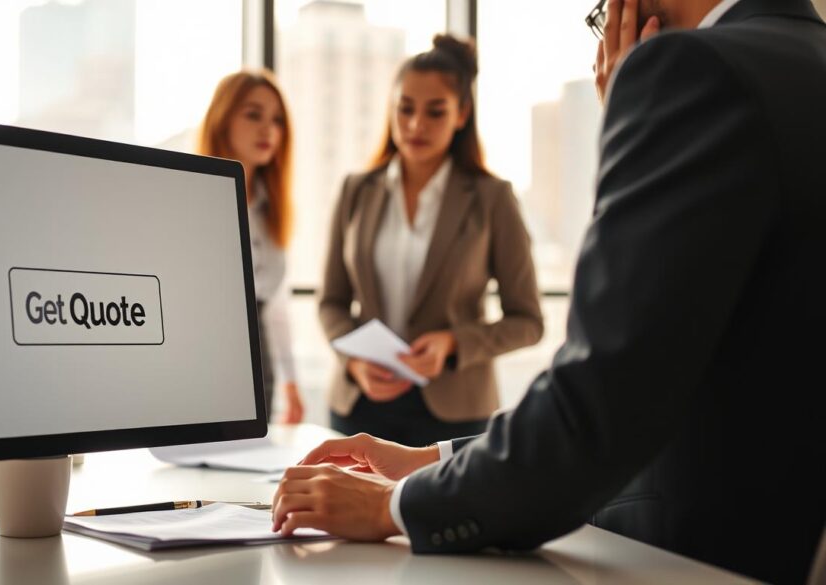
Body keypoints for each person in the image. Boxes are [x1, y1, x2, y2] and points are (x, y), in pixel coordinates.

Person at [272, 1, 826, 583]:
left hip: (690, 548)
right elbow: (683, 350)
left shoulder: (691, 70)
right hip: (757, 525)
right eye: (404, 109)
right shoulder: (801, 55)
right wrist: (432, 460)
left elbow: (604, 392)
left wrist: (392, 504)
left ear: (460, 116)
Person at [319, 34, 543, 447]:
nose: (416, 125)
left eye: (435, 112)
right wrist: (353, 361)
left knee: (441, 515)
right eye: (405, 109)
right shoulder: (356, 190)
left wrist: (454, 343)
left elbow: (528, 322)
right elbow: (330, 302)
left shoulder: (492, 198)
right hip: (360, 404)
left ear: (462, 114)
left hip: (454, 413)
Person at [198, 70, 304, 424]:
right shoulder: (194, 199)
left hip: (261, 359)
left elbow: (274, 306)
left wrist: (292, 381)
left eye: (277, 120)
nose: (268, 130)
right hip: (207, 347)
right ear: (223, 119)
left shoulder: (273, 210)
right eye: (253, 114)